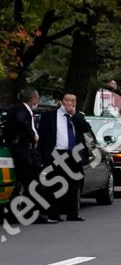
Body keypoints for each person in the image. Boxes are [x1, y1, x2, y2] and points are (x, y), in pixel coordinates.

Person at [35, 92, 92, 222]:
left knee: (73, 184)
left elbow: (85, 129)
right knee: (53, 184)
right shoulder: (49, 116)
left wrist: (74, 115)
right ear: (61, 101)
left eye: (74, 101)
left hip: (72, 153)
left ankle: (73, 214)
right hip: (55, 153)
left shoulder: (78, 116)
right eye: (68, 100)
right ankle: (54, 215)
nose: (71, 103)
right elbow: (43, 138)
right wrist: (44, 156)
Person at [4, 89, 53, 226]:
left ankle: (15, 214)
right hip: (23, 152)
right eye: (37, 99)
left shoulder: (17, 109)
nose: (37, 102)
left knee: (22, 184)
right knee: (33, 184)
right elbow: (21, 122)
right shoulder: (21, 110)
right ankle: (35, 215)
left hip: (22, 151)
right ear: (33, 99)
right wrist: (33, 136)